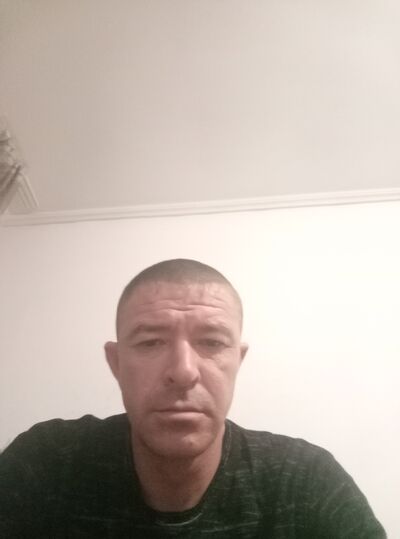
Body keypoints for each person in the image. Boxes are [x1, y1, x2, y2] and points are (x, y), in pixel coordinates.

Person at [0, 258, 386, 537]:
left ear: (237, 362)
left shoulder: (304, 481)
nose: (184, 371)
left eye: (212, 342)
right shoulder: (48, 464)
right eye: (150, 342)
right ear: (116, 364)